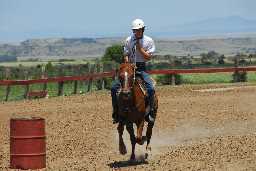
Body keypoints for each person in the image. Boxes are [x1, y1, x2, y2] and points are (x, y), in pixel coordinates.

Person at [111, 18, 156, 124]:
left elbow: (148, 57)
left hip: (141, 68)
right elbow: (126, 54)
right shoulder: (128, 40)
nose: (136, 32)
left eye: (139, 30)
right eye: (134, 30)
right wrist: (128, 64)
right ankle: (116, 113)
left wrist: (140, 49)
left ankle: (150, 112)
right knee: (114, 88)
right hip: (129, 68)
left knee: (150, 87)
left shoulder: (149, 41)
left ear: (143, 29)